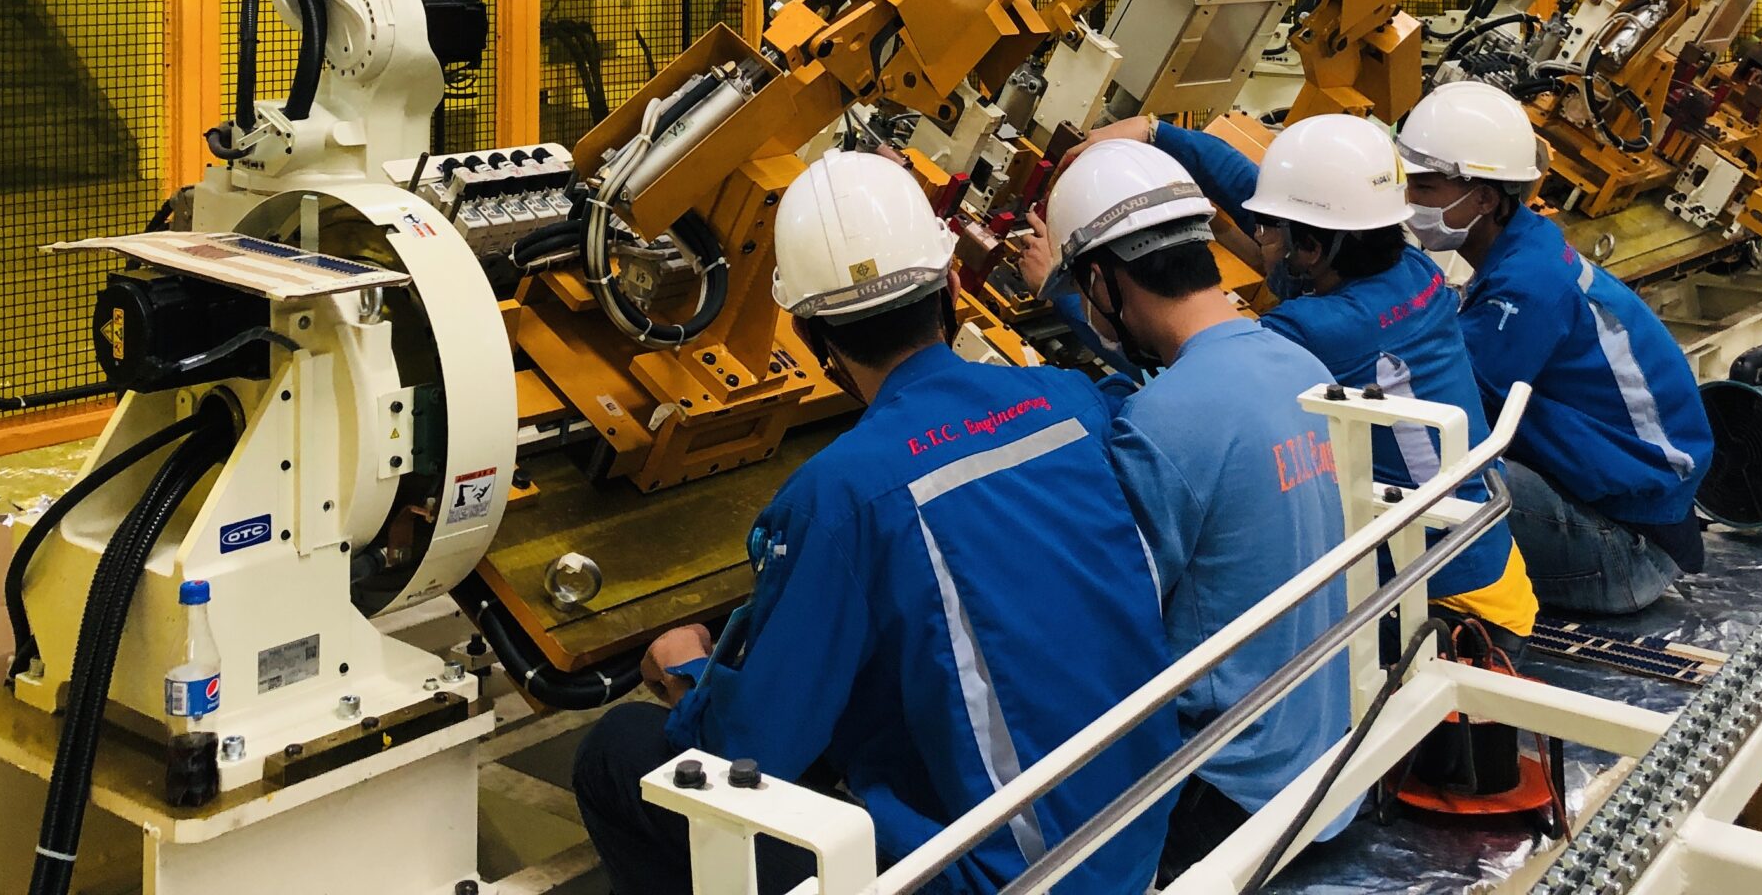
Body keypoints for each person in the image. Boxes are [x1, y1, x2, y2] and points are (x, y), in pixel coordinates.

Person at [571, 150, 1178, 895]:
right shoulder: (1068, 400)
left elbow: (753, 749)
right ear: (951, 286)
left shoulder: (838, 496)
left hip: (1017, 880)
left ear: (808, 335)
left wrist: (690, 673)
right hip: (1138, 835)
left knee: (619, 751)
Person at [1075, 112, 1537, 643]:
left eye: (1268, 229)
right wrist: (1158, 133)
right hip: (1491, 560)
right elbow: (1295, 203)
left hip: (1443, 604)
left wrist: (1073, 295)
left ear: (1312, 250)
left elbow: (1190, 380)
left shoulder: (1311, 330)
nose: (1260, 236)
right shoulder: (1414, 271)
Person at [1033, 140, 1352, 881]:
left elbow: (1110, 622)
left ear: (1100, 281)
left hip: (1230, 794)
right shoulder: (1300, 364)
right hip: (1325, 768)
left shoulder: (1164, 420)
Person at [1396, 81, 1715, 616]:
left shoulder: (1528, 287)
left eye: (1424, 187)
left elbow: (1449, 404)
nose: (1410, 201)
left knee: (1409, 472)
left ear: (1484, 198)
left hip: (1628, 553)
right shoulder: (1524, 252)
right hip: (1643, 524)